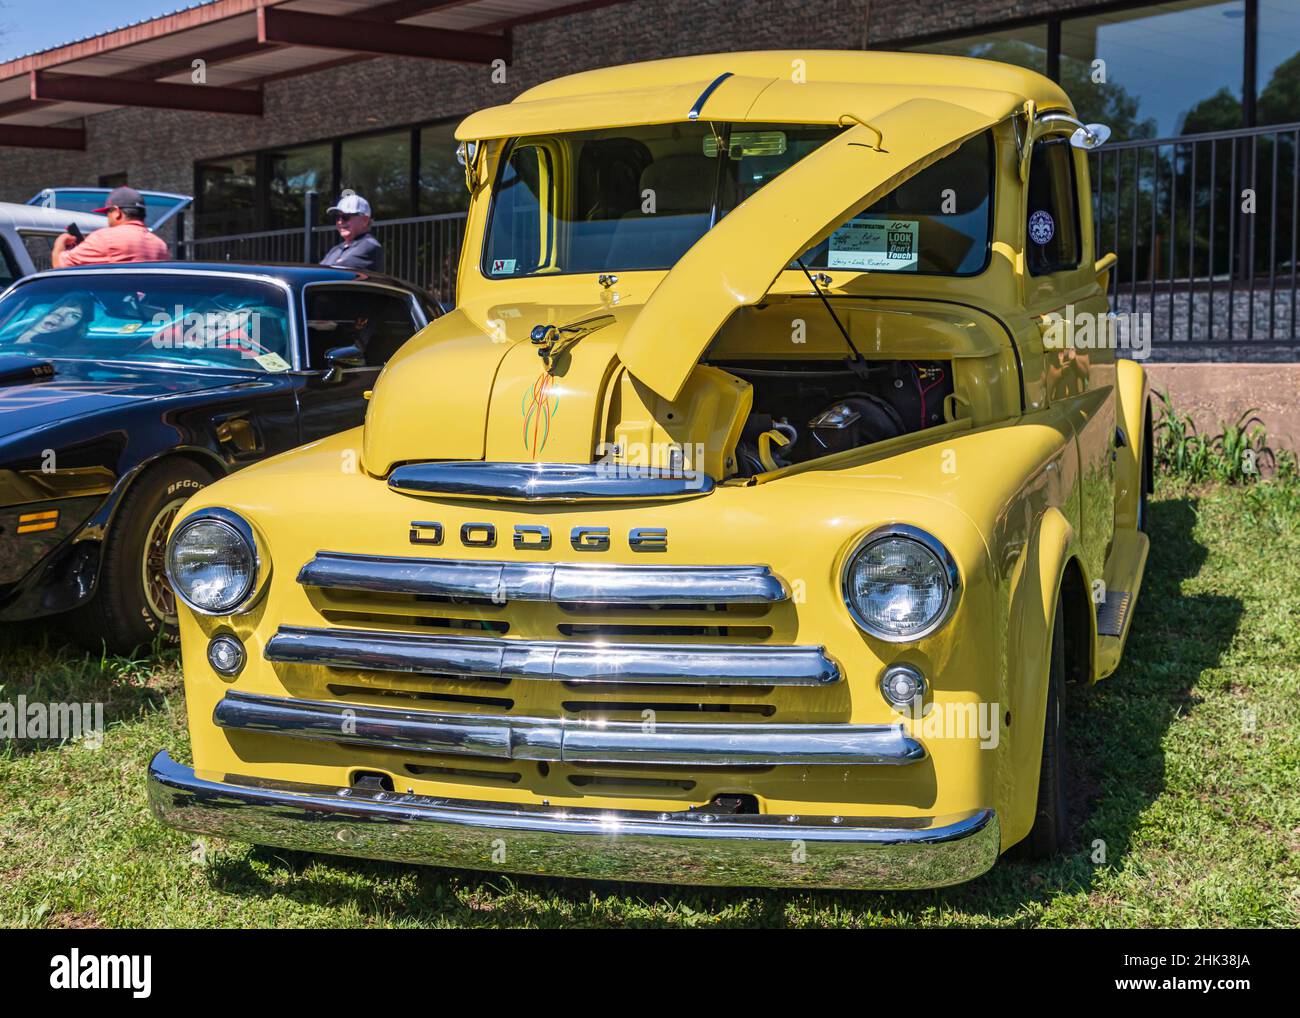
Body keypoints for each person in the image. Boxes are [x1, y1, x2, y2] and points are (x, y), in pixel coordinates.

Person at [51, 186, 169, 268]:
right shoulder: (160, 245)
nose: (107, 218)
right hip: (144, 304)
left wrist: (60, 243)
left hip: (115, 304)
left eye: (108, 212)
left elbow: (60, 266)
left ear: (117, 212)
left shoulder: (104, 238)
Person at [320, 193, 384, 272]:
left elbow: (335, 273)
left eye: (345, 217)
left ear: (365, 220)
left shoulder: (369, 246)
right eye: (337, 217)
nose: (340, 222)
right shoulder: (335, 249)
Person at [9, 291, 95, 345]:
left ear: (78, 325)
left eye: (74, 316)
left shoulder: (66, 348)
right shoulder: (17, 328)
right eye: (60, 306)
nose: (60, 316)